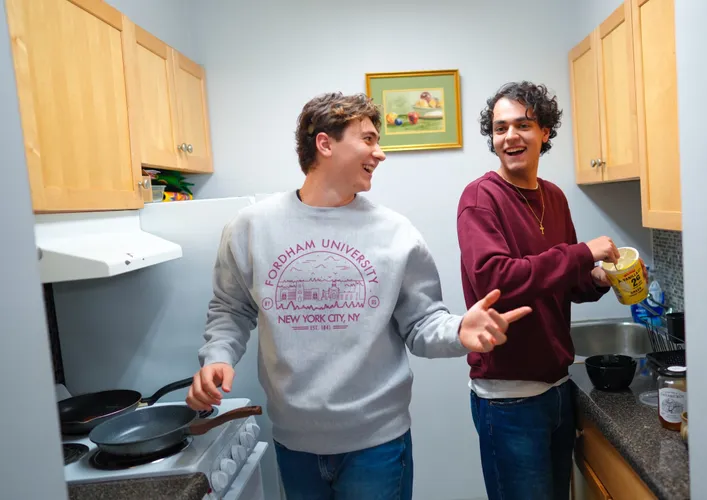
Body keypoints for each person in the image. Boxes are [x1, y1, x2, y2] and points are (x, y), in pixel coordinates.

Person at [185, 91, 532, 500]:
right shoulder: (251, 227)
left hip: (378, 445)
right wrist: (218, 357)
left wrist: (458, 330)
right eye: (368, 139)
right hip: (292, 442)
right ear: (325, 143)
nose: (380, 153)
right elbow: (231, 306)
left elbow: (421, 325)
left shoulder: (395, 234)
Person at [456, 81, 625, 500]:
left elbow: (561, 281)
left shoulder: (554, 197)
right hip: (508, 400)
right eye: (499, 128)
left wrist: (599, 277)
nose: (510, 136)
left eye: (523, 125)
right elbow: (496, 279)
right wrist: (582, 252)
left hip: (557, 390)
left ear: (545, 132)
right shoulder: (481, 198)